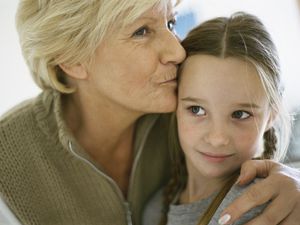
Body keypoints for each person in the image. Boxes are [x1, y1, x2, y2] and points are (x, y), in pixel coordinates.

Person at [0, 0, 299, 224]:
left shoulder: (182, 106)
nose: (178, 51)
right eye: (141, 31)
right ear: (73, 60)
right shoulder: (8, 167)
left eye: (171, 23)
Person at [143, 12, 294, 225]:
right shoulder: (155, 209)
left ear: (272, 115)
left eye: (240, 114)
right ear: (174, 104)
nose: (217, 138)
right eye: (196, 110)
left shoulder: (269, 207)